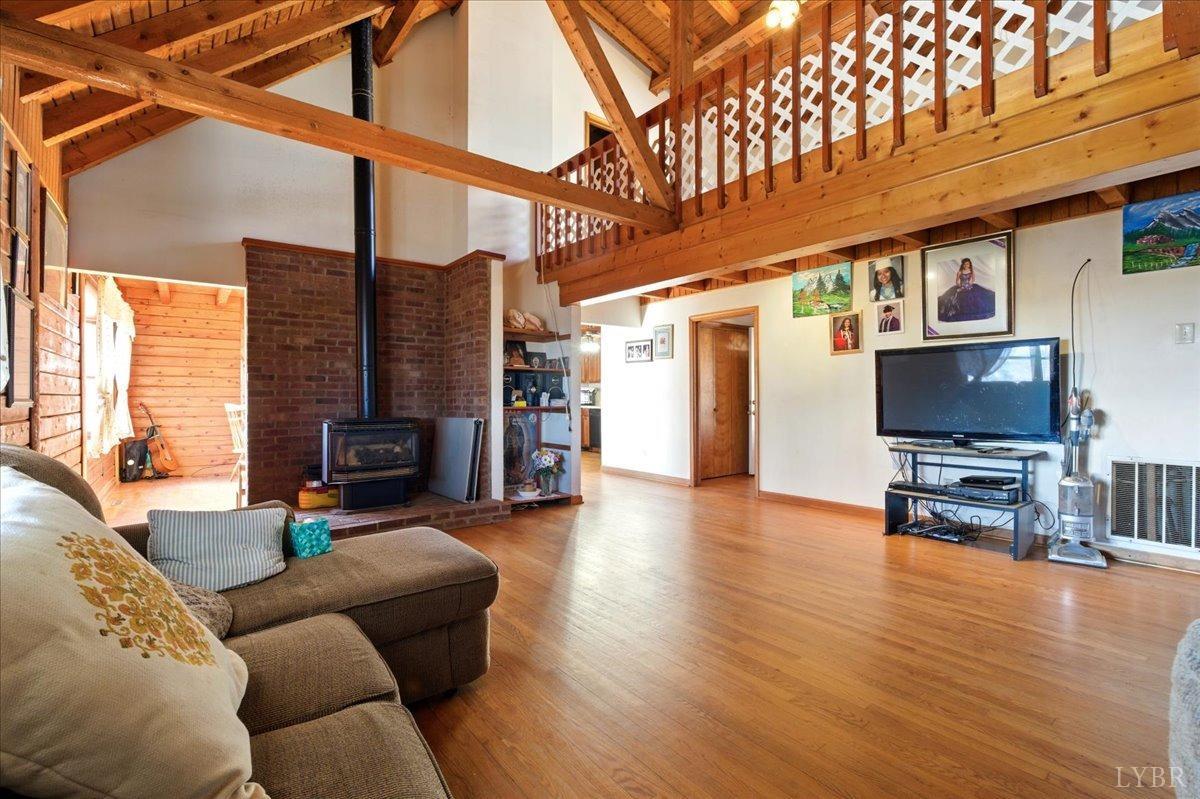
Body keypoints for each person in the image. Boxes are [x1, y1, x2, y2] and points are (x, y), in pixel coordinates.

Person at [937, 257, 996, 322]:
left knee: (974, 297)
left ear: (969, 264)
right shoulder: (960, 272)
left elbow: (972, 280)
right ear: (962, 265)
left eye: (967, 264)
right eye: (965, 264)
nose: (966, 265)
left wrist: (969, 285)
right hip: (961, 286)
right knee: (956, 298)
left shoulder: (971, 272)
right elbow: (957, 281)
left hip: (969, 286)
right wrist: (961, 286)